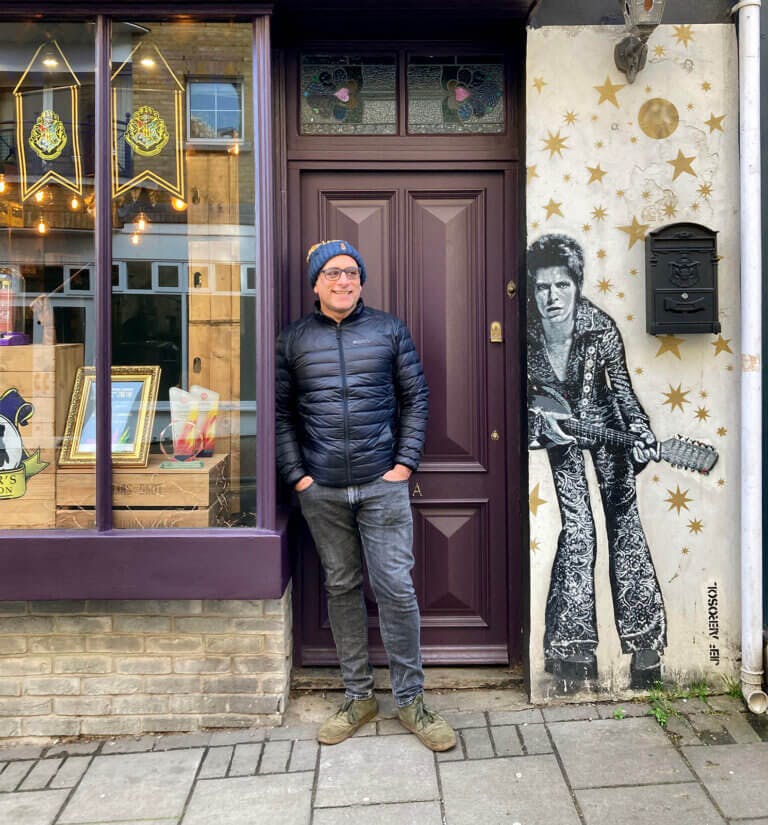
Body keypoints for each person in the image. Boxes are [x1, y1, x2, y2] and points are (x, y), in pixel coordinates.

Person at [276, 239, 456, 751]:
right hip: (322, 488)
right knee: (341, 587)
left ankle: (411, 700)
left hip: (382, 485)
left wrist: (404, 465)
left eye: (352, 273)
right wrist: (298, 477)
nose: (343, 281)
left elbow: (415, 397)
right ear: (315, 283)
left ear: (361, 281)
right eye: (332, 273)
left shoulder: (388, 330)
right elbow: (281, 415)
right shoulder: (293, 341)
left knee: (396, 588)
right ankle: (358, 695)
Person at [527, 233, 666, 689]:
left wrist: (641, 434)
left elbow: (623, 390)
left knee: (623, 523)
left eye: (561, 286)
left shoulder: (600, 328)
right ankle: (572, 648)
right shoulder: (526, 331)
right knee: (579, 531)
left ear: (576, 286)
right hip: (557, 436)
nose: (551, 297)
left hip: (608, 431)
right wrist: (539, 428)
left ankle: (646, 646)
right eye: (543, 287)